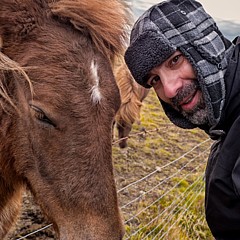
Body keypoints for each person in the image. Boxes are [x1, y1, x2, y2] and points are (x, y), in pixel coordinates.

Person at [124, 0, 240, 239]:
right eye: (154, 80)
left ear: (204, 44)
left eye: (175, 60)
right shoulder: (228, 127)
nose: (169, 90)